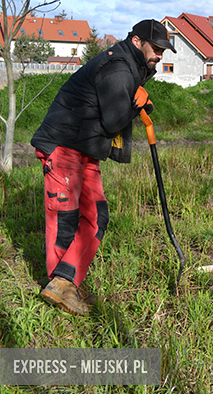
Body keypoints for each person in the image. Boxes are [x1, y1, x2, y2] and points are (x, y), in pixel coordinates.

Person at [30, 19, 175, 316]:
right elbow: (113, 120)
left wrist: (137, 100)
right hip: (64, 145)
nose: (160, 55)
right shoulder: (118, 67)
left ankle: (66, 280)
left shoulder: (132, 66)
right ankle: (59, 287)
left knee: (97, 215)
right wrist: (137, 105)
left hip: (85, 148)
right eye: (157, 48)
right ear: (137, 41)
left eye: (164, 50)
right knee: (66, 219)